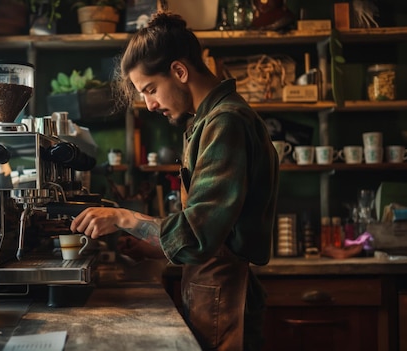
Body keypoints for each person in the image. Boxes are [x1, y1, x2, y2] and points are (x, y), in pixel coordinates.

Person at [70, 12, 279, 351]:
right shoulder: (205, 122)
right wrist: (152, 244)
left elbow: (199, 235)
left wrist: (124, 217)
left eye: (150, 89)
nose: (150, 104)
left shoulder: (225, 123)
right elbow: (214, 230)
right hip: (212, 290)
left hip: (226, 297)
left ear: (179, 71)